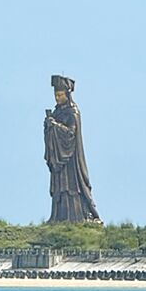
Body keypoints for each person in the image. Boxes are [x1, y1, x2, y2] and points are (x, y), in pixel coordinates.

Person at [44, 75, 101, 223]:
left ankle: (76, 217)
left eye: (60, 95)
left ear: (67, 94)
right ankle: (58, 217)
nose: (57, 98)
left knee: (72, 187)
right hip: (59, 157)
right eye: (55, 95)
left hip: (71, 158)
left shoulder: (73, 112)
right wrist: (49, 126)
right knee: (60, 187)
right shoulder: (57, 112)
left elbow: (71, 133)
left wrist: (55, 126)